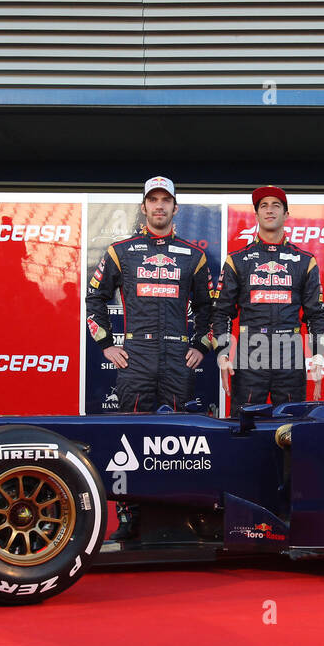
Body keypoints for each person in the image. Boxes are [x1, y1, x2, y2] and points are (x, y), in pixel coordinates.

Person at [86, 175, 215, 539]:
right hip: (137, 354)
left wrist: (201, 346)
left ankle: (177, 516)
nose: (159, 206)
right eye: (153, 200)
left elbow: (209, 308)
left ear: (176, 207)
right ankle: (130, 517)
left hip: (177, 355)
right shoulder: (120, 251)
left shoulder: (195, 255)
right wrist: (106, 345)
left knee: (178, 440)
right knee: (130, 436)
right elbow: (94, 299)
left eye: (165, 200)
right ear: (144, 207)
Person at [213, 185, 324, 413]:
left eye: (276, 205)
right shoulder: (237, 259)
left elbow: (316, 314)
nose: (269, 210)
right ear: (256, 214)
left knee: (291, 427)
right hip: (250, 349)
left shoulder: (304, 260)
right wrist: (223, 353)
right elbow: (221, 311)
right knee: (244, 425)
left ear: (286, 214)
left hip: (290, 350)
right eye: (263, 206)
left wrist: (318, 355)